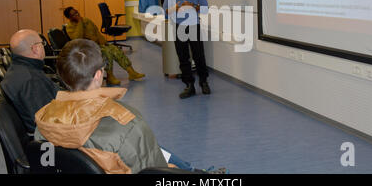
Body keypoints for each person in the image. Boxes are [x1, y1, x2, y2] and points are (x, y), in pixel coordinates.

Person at [34, 39, 227, 174]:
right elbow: (153, 171)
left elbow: (47, 164)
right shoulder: (126, 122)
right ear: (99, 75)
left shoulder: (43, 121)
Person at [63, 7, 145, 85]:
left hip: (97, 45)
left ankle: (131, 72)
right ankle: (110, 76)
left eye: (76, 12)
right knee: (107, 52)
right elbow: (78, 38)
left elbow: (97, 33)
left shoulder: (87, 21)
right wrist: (79, 23)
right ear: (69, 18)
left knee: (114, 49)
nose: (77, 14)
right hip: (86, 48)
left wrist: (104, 42)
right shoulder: (70, 27)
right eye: (74, 14)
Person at [163, 0, 211, 99]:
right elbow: (166, 11)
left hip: (194, 25)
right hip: (179, 26)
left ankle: (203, 82)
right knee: (183, 57)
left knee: (199, 56)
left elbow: (205, 9)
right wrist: (177, 7)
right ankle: (189, 85)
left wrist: (193, 6)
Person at [0, 29, 60, 133]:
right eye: (42, 43)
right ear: (35, 49)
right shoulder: (32, 81)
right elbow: (49, 122)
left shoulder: (18, 69)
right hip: (51, 139)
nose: (44, 46)